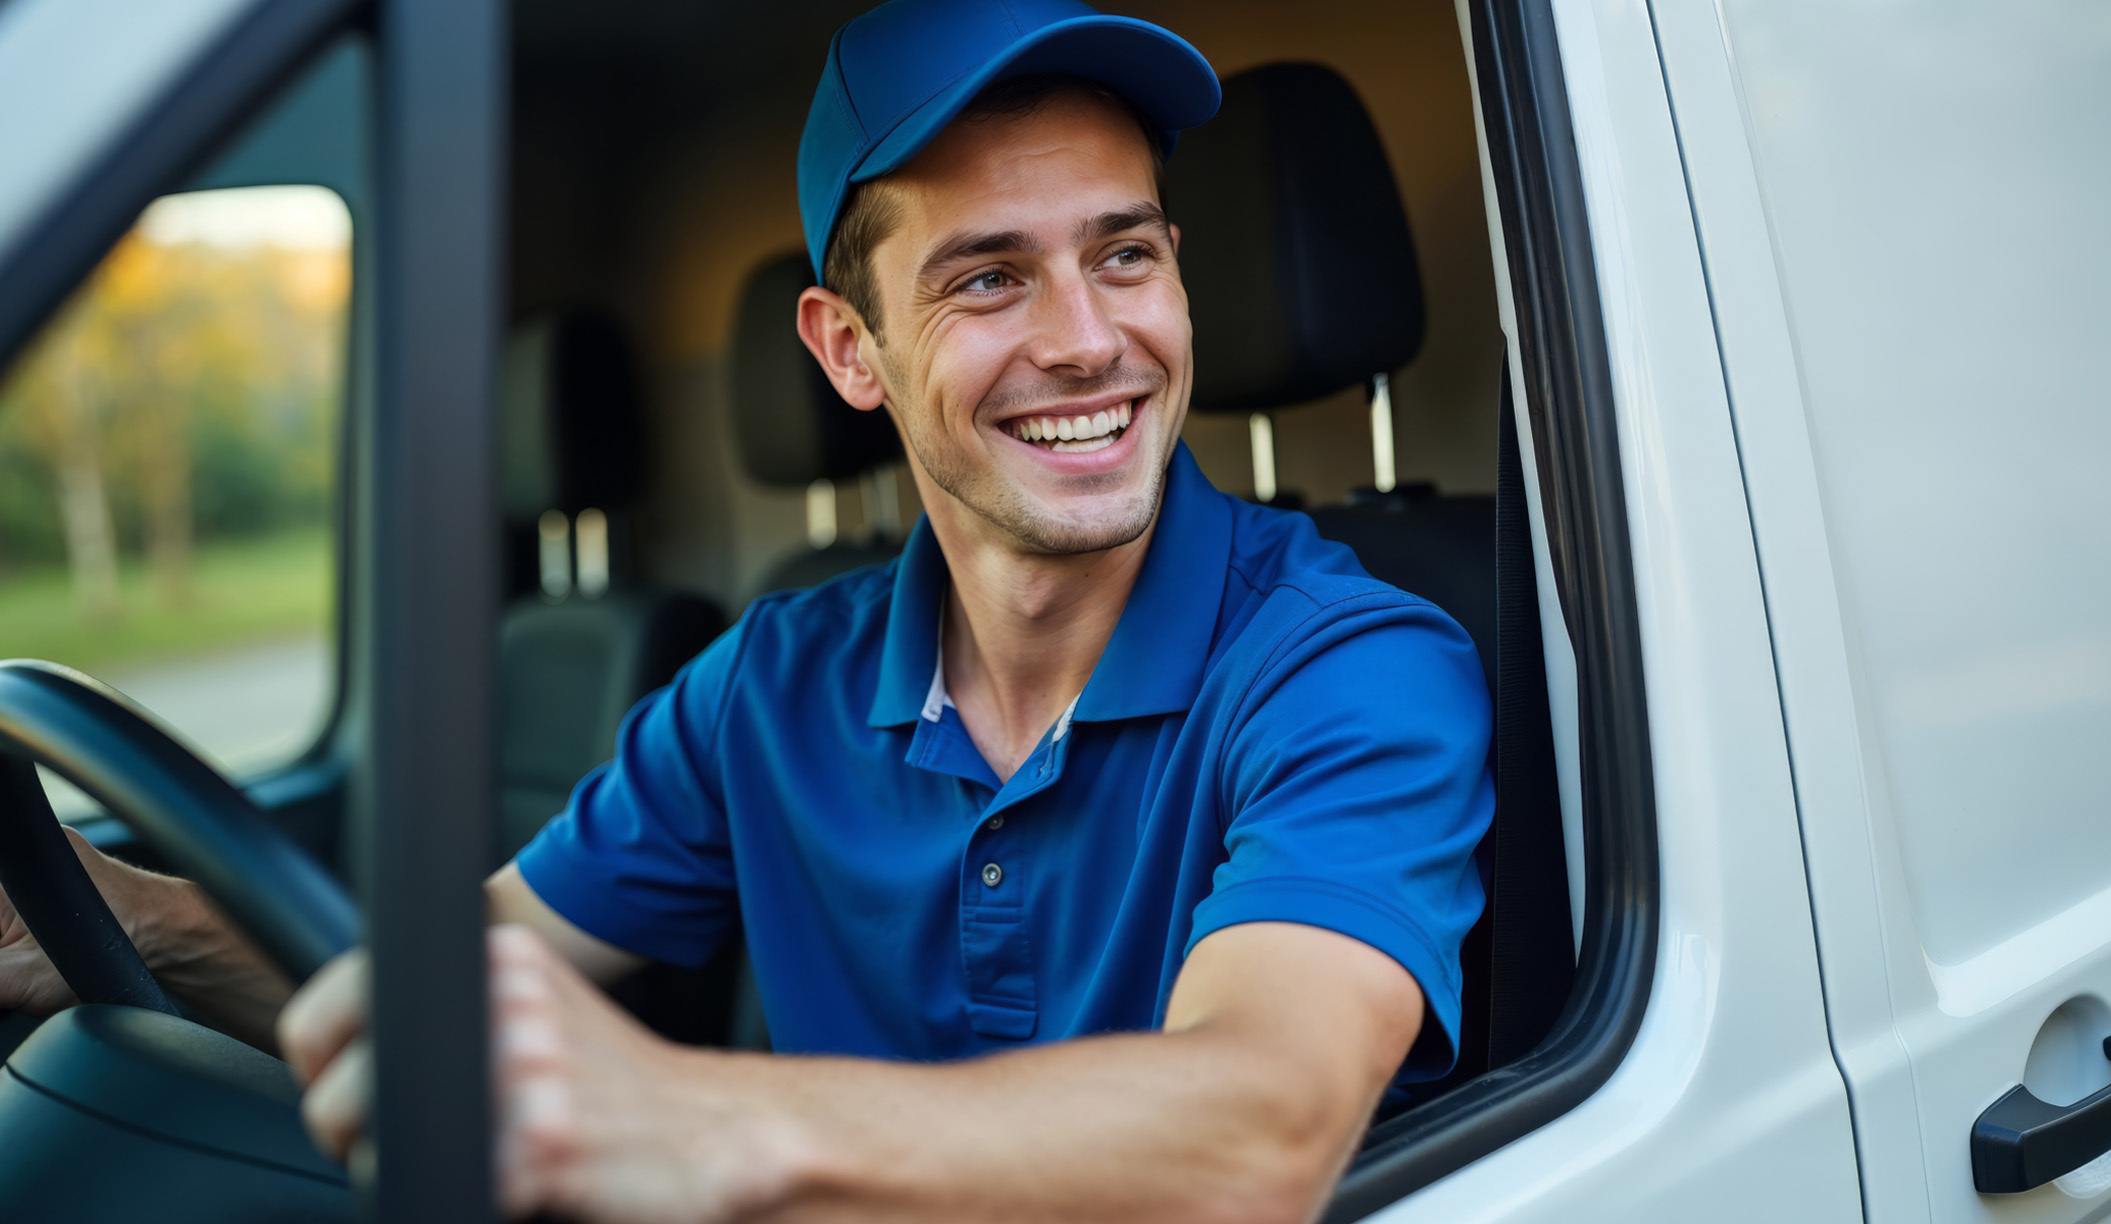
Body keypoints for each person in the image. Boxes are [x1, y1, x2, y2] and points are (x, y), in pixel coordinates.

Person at [0, 1, 1493, 1219]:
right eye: (989, 280)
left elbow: (1262, 1124)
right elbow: (477, 977)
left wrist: (694, 1118)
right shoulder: (766, 684)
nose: (1089, 339)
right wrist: (99, 914)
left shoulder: (1351, 667)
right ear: (851, 351)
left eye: (1125, 253)